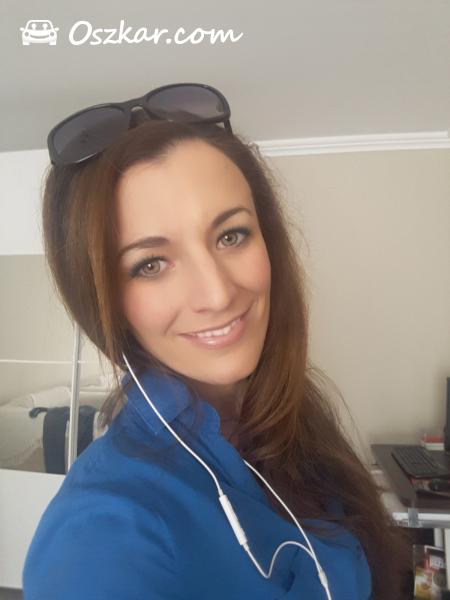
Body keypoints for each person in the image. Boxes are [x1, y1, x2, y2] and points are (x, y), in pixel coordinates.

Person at [23, 84, 411, 599]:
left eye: (231, 236)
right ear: (103, 300)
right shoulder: (101, 537)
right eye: (150, 264)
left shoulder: (293, 416)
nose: (218, 293)